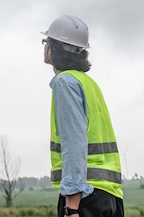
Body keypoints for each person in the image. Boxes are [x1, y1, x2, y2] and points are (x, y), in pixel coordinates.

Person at [41, 15, 124, 217]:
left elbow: (74, 145)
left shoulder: (66, 83)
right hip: (110, 196)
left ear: (54, 48)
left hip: (85, 197)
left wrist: (72, 207)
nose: (44, 47)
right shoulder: (88, 83)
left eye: (46, 41)